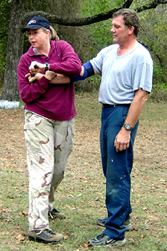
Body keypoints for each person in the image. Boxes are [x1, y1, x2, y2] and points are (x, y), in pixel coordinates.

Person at [53, 8, 153, 247]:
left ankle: (115, 231)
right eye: (112, 25)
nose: (112, 30)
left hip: (122, 113)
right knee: (111, 168)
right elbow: (84, 71)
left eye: (116, 26)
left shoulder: (141, 56)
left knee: (117, 171)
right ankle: (122, 215)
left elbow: (140, 96)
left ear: (131, 29)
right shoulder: (109, 52)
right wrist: (52, 74)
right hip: (107, 112)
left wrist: (126, 129)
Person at [17, 16, 82, 243]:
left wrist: (45, 69)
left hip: (64, 118)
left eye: (35, 32)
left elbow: (76, 69)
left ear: (47, 32)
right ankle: (38, 225)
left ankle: (48, 205)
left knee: (58, 170)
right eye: (29, 33)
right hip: (38, 118)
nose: (32, 37)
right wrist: (48, 79)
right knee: (41, 171)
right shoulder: (26, 60)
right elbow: (26, 95)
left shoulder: (62, 48)